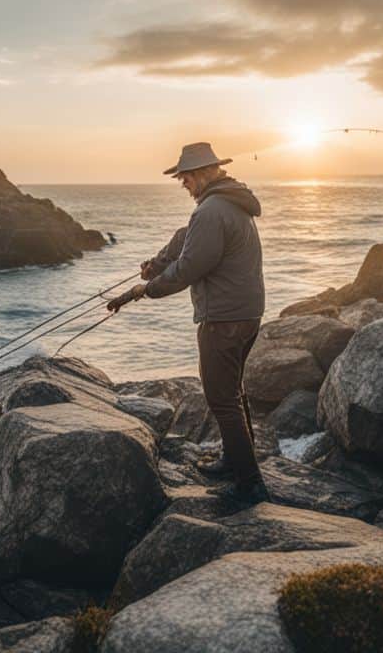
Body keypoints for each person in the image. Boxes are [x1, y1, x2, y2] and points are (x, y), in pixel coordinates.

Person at [106, 142, 269, 505]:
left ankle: (250, 484)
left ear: (199, 174)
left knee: (220, 398)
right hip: (247, 311)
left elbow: (192, 267)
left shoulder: (211, 210)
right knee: (233, 391)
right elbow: (186, 239)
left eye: (184, 178)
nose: (183, 184)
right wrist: (158, 262)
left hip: (223, 317)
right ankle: (235, 461)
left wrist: (146, 288)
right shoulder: (230, 203)